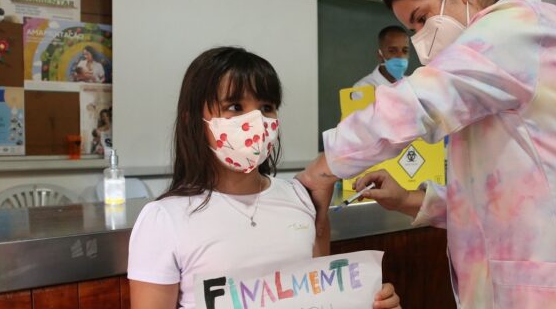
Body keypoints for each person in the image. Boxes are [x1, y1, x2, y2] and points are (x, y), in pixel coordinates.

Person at [297, 0, 556, 309]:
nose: (419, 42)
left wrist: (322, 168)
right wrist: (411, 200)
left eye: (422, 19)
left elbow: (415, 103)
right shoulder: (495, 68)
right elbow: (498, 197)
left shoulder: (520, 26)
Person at [127, 47, 401, 309]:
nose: (256, 120)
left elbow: (324, 297)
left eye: (267, 107)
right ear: (192, 120)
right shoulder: (163, 219)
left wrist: (368, 302)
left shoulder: (303, 200)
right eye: (235, 106)